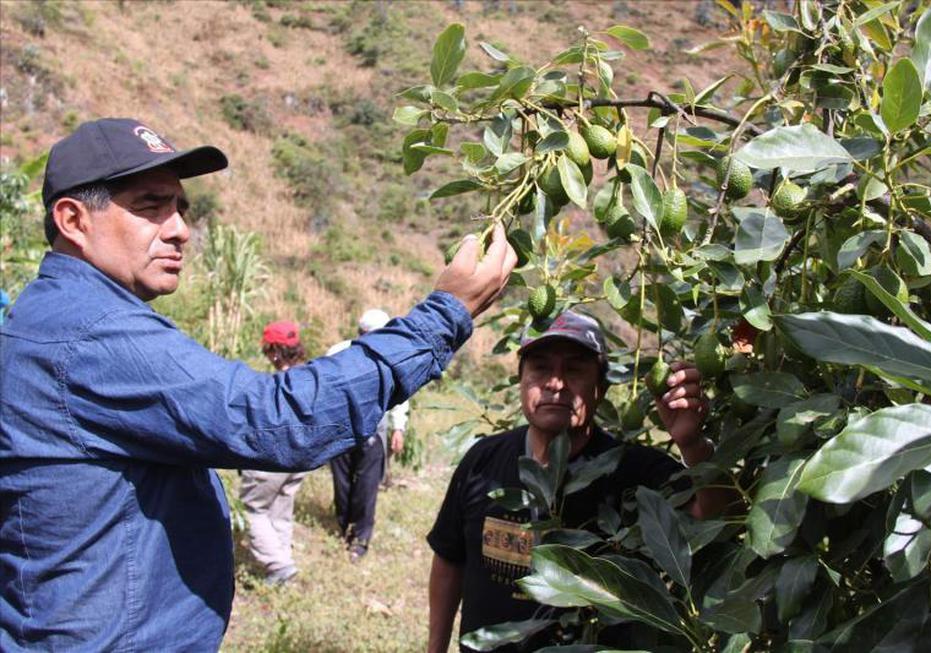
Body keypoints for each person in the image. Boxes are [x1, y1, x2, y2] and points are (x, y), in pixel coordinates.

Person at [0, 117, 516, 651]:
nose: (178, 228)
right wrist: (444, 314)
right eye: (151, 206)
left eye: (181, 209)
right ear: (73, 220)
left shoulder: (54, 318)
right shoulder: (91, 333)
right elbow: (280, 422)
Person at [426, 311, 729, 653]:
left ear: (601, 388)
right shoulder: (482, 459)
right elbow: (450, 559)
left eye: (574, 369)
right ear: (521, 381)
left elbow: (714, 520)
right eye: (540, 368)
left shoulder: (635, 471)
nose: (556, 383)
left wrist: (692, 444)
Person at [326, 308, 410, 562]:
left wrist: (398, 427)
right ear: (361, 333)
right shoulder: (338, 352)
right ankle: (344, 526)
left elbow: (400, 396)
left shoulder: (391, 358)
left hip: (374, 429)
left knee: (367, 484)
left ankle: (361, 539)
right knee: (341, 482)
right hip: (340, 428)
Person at [238, 320, 311, 585]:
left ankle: (278, 565)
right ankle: (283, 559)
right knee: (281, 506)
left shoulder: (276, 385)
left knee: (253, 509)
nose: (267, 356)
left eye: (268, 350)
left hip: (272, 457)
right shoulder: (310, 376)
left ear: (276, 351)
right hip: (302, 455)